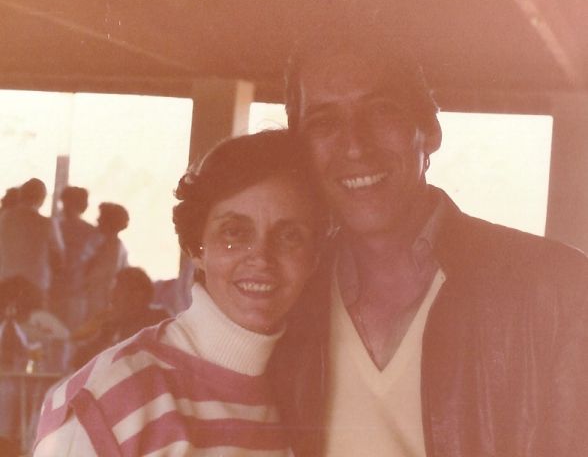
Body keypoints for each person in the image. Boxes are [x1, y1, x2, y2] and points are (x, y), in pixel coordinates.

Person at [270, 32, 588, 456]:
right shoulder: (288, 296)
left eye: (380, 111)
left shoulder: (558, 289)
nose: (355, 146)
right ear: (302, 154)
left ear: (430, 131)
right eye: (324, 123)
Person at [34, 129, 326, 456]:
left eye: (289, 236)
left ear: (314, 256)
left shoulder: (309, 397)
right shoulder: (108, 400)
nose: (261, 258)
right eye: (234, 233)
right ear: (196, 248)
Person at [70, 266, 169, 370]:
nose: (112, 301)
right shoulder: (114, 325)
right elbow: (79, 361)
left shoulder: (158, 320)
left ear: (137, 296)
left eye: (117, 295)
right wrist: (102, 331)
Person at [0, 178, 64, 301]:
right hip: (35, 286)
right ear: (42, 199)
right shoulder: (47, 223)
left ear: (21, 195)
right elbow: (59, 258)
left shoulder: (4, 218)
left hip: (6, 284)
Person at [51, 186, 96, 329]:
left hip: (77, 290)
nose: (65, 207)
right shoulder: (55, 226)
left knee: (71, 331)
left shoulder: (91, 232)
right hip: (57, 288)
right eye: (64, 203)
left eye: (68, 203)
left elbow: (94, 264)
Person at [83, 202, 129, 320]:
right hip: (95, 297)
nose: (97, 220)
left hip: (101, 300)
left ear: (109, 222)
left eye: (101, 218)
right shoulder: (105, 244)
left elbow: (105, 276)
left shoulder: (113, 247)